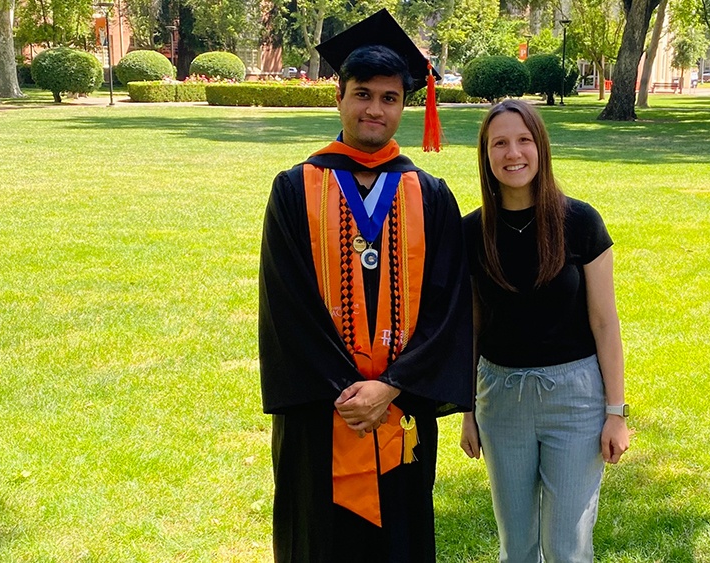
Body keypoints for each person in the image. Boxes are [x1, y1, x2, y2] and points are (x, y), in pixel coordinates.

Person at [258, 9, 473, 563]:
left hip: (400, 412)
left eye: (388, 97)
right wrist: (350, 393)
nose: (374, 109)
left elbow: (448, 308)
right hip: (319, 413)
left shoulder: (430, 194)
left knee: (399, 540)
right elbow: (288, 305)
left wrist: (393, 387)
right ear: (339, 97)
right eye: (362, 94)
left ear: (405, 105)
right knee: (317, 538)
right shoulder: (293, 189)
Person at [459, 100, 631, 563]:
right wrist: (468, 410)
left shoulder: (581, 223)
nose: (513, 153)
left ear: (541, 147)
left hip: (575, 400)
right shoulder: (472, 233)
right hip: (500, 400)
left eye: (523, 140)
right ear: (486, 154)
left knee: (566, 548)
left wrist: (616, 412)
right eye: (500, 143)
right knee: (516, 547)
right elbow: (471, 325)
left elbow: (605, 323)